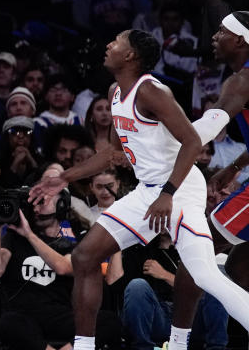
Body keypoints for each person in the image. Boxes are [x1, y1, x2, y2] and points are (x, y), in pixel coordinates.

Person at [31, 28, 249, 350]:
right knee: (84, 257)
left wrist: (168, 193)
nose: (109, 44)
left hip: (181, 188)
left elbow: (190, 141)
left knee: (206, 274)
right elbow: (112, 153)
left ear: (131, 55)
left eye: (116, 41)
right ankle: (84, 346)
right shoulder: (114, 92)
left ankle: (177, 343)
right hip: (148, 191)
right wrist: (64, 177)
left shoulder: (152, 92)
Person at [168, 10, 249, 338]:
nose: (214, 38)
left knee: (195, 250)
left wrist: (166, 145)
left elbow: (214, 121)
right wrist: (234, 167)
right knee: (238, 270)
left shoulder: (241, 80)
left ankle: (177, 343)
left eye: (221, 32)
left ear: (241, 40)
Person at [0, 186, 121, 350]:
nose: (36, 207)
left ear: (61, 205)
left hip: (60, 316)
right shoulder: (13, 240)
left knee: (109, 321)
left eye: (42, 201)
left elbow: (63, 267)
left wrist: (30, 235)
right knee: (8, 322)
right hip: (25, 318)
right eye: (33, 203)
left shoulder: (71, 246)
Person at [107, 233, 228, 350]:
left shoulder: (194, 251)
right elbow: (115, 284)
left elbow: (203, 292)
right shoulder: (139, 250)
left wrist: (165, 275)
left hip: (190, 317)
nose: (165, 221)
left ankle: (216, 347)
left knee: (216, 288)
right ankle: (141, 347)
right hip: (158, 315)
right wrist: (118, 244)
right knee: (137, 286)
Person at [0, 116, 40, 188]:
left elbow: (42, 181)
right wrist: (15, 164)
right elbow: (2, 185)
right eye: (14, 132)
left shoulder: (38, 158)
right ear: (7, 137)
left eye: (27, 132)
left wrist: (31, 161)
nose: (21, 136)